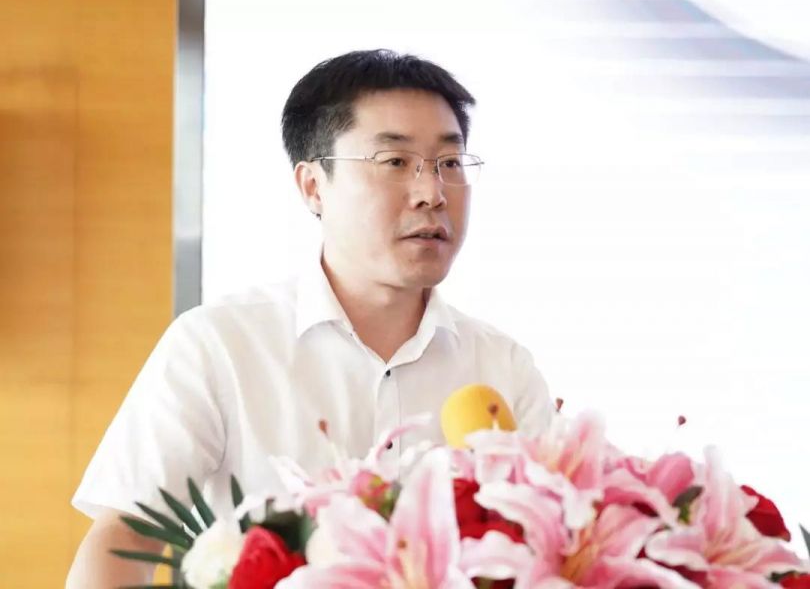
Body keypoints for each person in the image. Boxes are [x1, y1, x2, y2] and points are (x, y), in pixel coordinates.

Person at [66, 49, 554, 587]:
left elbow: (555, 548)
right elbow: (128, 537)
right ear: (313, 186)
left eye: (450, 163)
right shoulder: (218, 345)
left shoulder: (503, 367)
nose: (432, 193)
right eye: (395, 162)